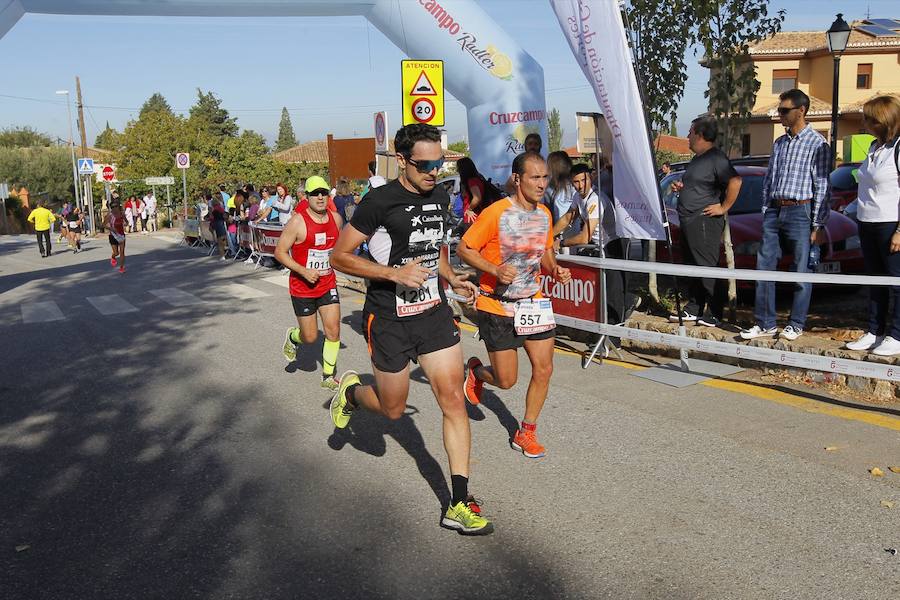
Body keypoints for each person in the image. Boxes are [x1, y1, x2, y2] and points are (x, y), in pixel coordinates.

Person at [329, 123, 491, 536]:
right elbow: (341, 257)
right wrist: (392, 274)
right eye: (425, 164)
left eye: (439, 162)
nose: (434, 170)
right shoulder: (378, 202)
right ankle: (351, 392)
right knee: (394, 408)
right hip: (388, 320)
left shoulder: (439, 194)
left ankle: (458, 500)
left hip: (434, 313)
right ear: (401, 161)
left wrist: (451, 277)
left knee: (453, 398)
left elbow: (433, 246)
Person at [457, 151, 572, 460]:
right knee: (506, 381)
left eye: (545, 177)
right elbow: (464, 248)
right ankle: (478, 372)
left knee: (544, 369)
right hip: (498, 305)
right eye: (535, 177)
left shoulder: (545, 214)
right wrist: (494, 270)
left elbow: (546, 252)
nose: (541, 183)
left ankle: (526, 431)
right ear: (517, 179)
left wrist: (555, 269)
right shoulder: (496, 213)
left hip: (533, 304)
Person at [741, 88, 831, 341]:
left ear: (801, 111)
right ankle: (765, 322)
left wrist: (818, 224)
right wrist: (766, 208)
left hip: (801, 210)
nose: (779, 114)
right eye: (779, 110)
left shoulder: (817, 144)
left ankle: (796, 323)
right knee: (764, 268)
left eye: (784, 110)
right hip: (774, 210)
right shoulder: (779, 143)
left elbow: (822, 186)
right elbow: (769, 178)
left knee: (802, 271)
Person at [668, 117, 742, 327]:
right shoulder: (698, 159)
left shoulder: (716, 158)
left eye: (690, 132)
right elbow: (702, 185)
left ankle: (715, 311)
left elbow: (735, 181)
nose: (687, 136)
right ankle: (694, 307)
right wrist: (681, 187)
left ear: (700, 135)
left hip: (704, 222)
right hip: (689, 220)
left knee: (707, 265)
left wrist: (723, 207)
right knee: (692, 266)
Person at [275, 178, 344, 390]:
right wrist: (303, 270)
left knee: (333, 331)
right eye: (315, 193)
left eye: (324, 192)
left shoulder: (336, 219)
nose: (320, 197)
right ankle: (294, 337)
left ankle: (328, 376)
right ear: (307, 197)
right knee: (310, 336)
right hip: (302, 287)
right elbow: (279, 252)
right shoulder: (297, 222)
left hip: (327, 283)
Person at [845, 95, 900, 356]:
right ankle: (874, 331)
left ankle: (897, 334)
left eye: (869, 118)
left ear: (884, 120)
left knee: (896, 281)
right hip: (867, 222)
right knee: (874, 280)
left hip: (890, 225)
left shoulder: (898, 149)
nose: (864, 123)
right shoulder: (872, 148)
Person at [457, 157, 487, 225]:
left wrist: (469, 209)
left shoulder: (471, 181)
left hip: (472, 217)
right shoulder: (479, 178)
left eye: (458, 168)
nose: (457, 170)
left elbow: (477, 198)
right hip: (480, 214)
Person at [105, 203, 127, 273]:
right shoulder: (109, 215)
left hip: (121, 235)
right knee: (116, 253)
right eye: (112, 207)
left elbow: (126, 222)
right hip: (113, 235)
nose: (114, 208)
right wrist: (111, 228)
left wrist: (125, 223)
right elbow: (103, 225)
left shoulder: (121, 214)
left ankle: (121, 267)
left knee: (122, 252)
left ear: (118, 207)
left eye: (116, 206)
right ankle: (113, 257)